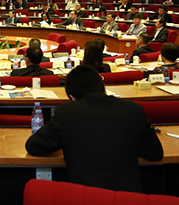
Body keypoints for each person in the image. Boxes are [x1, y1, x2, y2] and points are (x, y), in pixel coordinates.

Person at [25, 65, 163, 192]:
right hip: (129, 198)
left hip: (86, 197)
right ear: (103, 88)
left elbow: (34, 146)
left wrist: (65, 140)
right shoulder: (134, 110)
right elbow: (155, 153)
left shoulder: (67, 112)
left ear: (72, 97)